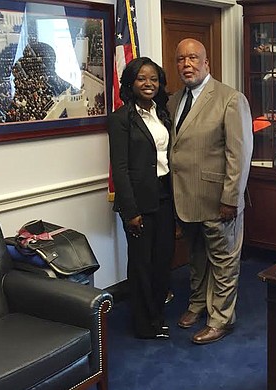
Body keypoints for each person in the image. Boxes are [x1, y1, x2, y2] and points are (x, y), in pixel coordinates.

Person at [168, 38, 253, 345]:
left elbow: (239, 154)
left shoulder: (230, 99)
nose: (186, 64)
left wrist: (231, 198)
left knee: (224, 260)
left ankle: (221, 319)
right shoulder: (174, 100)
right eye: (180, 59)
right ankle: (197, 304)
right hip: (186, 199)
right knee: (197, 257)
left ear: (207, 63)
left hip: (219, 200)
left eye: (193, 58)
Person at [108, 57, 174, 339]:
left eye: (154, 79)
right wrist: (130, 211)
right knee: (141, 265)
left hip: (166, 196)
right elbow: (120, 168)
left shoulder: (164, 113)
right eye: (142, 79)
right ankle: (143, 324)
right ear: (131, 83)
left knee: (162, 260)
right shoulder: (121, 119)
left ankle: (158, 316)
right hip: (138, 202)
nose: (149, 84)